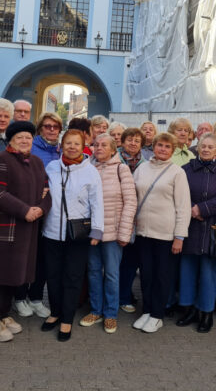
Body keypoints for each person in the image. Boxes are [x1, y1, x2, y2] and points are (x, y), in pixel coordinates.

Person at [0, 121, 51, 342]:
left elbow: (47, 192)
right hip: (5, 228)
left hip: (27, 229)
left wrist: (40, 209)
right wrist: (24, 210)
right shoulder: (2, 160)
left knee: (15, 275)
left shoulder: (37, 163)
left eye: (28, 138)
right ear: (10, 140)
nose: (24, 141)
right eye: (19, 137)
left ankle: (4, 315)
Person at [41, 129, 104, 341]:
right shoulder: (51, 167)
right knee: (53, 275)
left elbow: (97, 202)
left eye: (76, 143)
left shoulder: (90, 171)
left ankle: (67, 318)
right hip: (51, 232)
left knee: (73, 276)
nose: (72, 147)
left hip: (77, 234)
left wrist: (97, 229)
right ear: (61, 145)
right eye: (68, 143)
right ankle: (55, 312)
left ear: (83, 146)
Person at [132, 133, 191, 334]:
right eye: (160, 145)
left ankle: (157, 315)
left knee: (162, 276)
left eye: (167, 146)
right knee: (146, 275)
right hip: (143, 232)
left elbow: (183, 207)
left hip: (166, 235)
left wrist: (179, 236)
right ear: (154, 147)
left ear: (172, 150)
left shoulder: (177, 173)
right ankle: (147, 311)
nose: (163, 149)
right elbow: (133, 197)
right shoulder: (142, 168)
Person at [177, 133, 216, 334]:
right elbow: (179, 194)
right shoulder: (186, 169)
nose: (207, 149)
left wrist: (202, 209)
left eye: (211, 147)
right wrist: (192, 209)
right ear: (197, 148)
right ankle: (188, 309)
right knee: (188, 270)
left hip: (213, 227)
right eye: (203, 146)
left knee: (209, 273)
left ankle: (206, 313)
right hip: (189, 226)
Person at [80, 134, 137, 334]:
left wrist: (124, 232)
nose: (99, 148)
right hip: (92, 232)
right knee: (94, 272)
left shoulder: (122, 170)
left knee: (112, 274)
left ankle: (111, 314)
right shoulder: (86, 168)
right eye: (96, 145)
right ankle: (96, 311)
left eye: (104, 145)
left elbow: (131, 202)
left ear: (114, 150)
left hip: (113, 234)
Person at [13, 112, 62, 319]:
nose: (51, 130)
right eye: (47, 126)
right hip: (29, 210)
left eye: (55, 127)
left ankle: (35, 297)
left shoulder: (61, 150)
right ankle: (19, 297)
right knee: (25, 256)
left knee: (43, 258)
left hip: (51, 212)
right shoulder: (31, 148)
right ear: (40, 128)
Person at [116, 127, 146, 314]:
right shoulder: (114, 160)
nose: (133, 143)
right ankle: (113, 296)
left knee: (129, 262)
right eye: (129, 140)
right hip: (115, 217)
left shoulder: (146, 164)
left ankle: (124, 297)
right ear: (123, 141)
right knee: (113, 263)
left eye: (137, 141)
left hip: (136, 220)